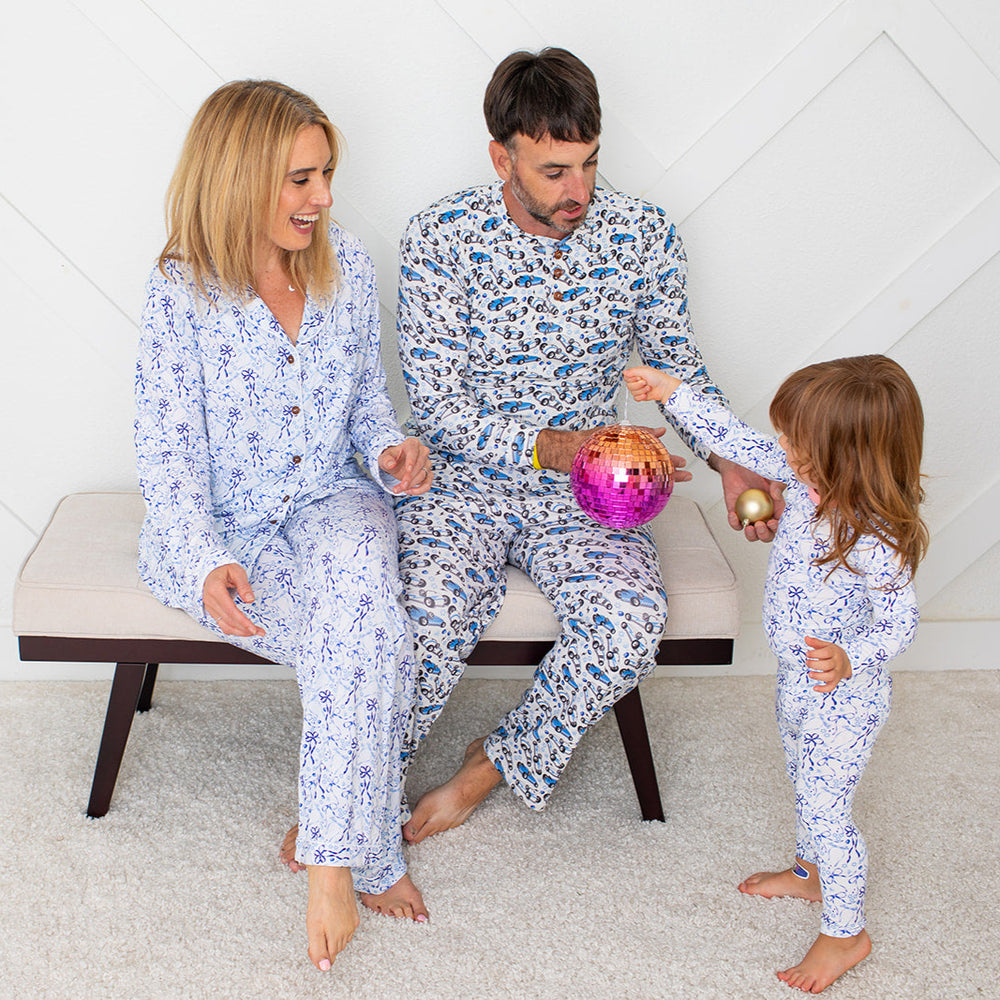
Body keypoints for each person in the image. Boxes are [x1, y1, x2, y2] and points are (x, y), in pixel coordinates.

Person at [394, 47, 783, 843]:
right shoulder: (439, 236)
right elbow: (436, 410)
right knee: (424, 619)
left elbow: (677, 368)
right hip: (462, 483)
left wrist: (732, 458)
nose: (579, 191)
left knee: (630, 618)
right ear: (501, 156)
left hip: (585, 496)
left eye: (590, 165)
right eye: (553, 171)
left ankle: (489, 767)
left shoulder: (641, 235)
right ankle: (355, 786)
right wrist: (567, 444)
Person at [134, 79, 433, 972]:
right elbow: (168, 456)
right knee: (372, 634)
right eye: (301, 180)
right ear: (238, 180)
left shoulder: (346, 263)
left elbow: (367, 402)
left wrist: (388, 451)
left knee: (364, 600)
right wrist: (200, 562)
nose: (324, 198)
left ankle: (328, 858)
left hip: (338, 499)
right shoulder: (179, 294)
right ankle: (362, 856)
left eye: (327, 175)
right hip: (229, 527)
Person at [624, 356, 927, 994]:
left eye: (794, 440)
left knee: (827, 806)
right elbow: (736, 440)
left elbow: (899, 624)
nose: (780, 448)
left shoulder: (874, 537)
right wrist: (673, 394)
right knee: (800, 775)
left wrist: (853, 658)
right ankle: (808, 871)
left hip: (844, 695)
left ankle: (846, 933)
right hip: (798, 678)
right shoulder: (801, 477)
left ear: (846, 455)